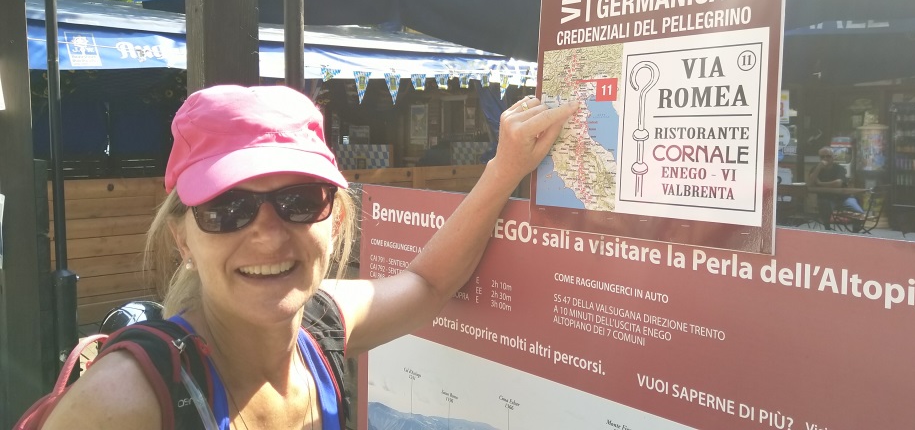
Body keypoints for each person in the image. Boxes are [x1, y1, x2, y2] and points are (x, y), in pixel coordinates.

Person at [39, 84, 577, 429]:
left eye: (299, 201)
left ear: (335, 220)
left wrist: (504, 170)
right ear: (184, 240)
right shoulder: (128, 401)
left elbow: (428, 283)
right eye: (227, 209)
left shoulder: (321, 327)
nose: (268, 236)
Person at [807, 146, 864, 231]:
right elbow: (810, 183)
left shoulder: (839, 168)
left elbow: (838, 183)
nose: (825, 158)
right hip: (826, 199)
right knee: (823, 204)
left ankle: (855, 232)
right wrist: (818, 168)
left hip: (843, 198)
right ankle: (827, 229)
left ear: (833, 157)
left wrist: (820, 183)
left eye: (828, 156)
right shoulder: (815, 169)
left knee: (859, 212)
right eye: (822, 157)